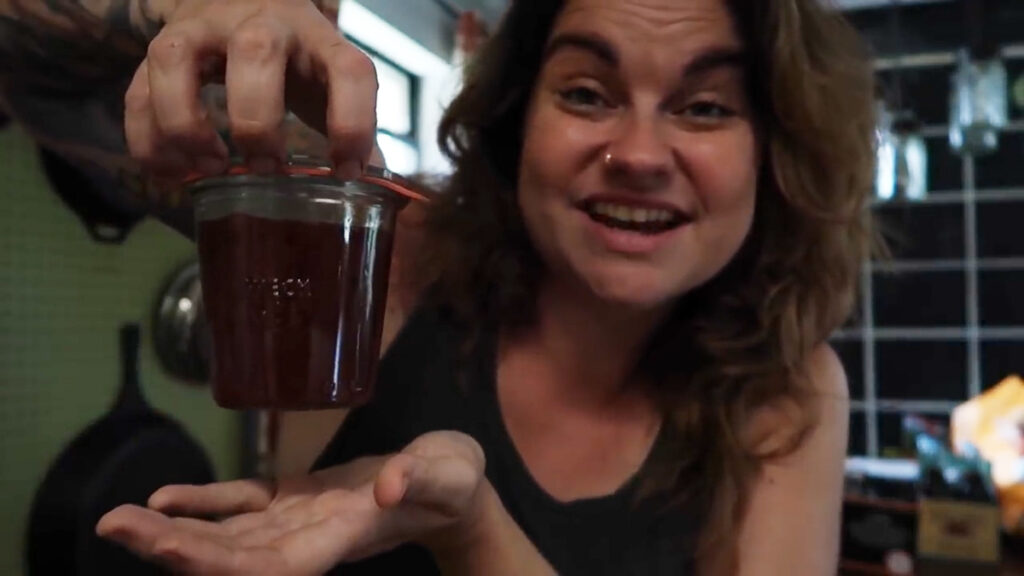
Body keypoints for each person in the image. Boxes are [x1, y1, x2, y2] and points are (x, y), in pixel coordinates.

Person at [0, 0, 878, 574]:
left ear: (776, 155)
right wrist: (184, 9)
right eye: (585, 91)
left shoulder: (786, 394)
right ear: (514, 122)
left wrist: (469, 527)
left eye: (705, 107)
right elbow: (43, 82)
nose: (641, 155)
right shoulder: (392, 252)